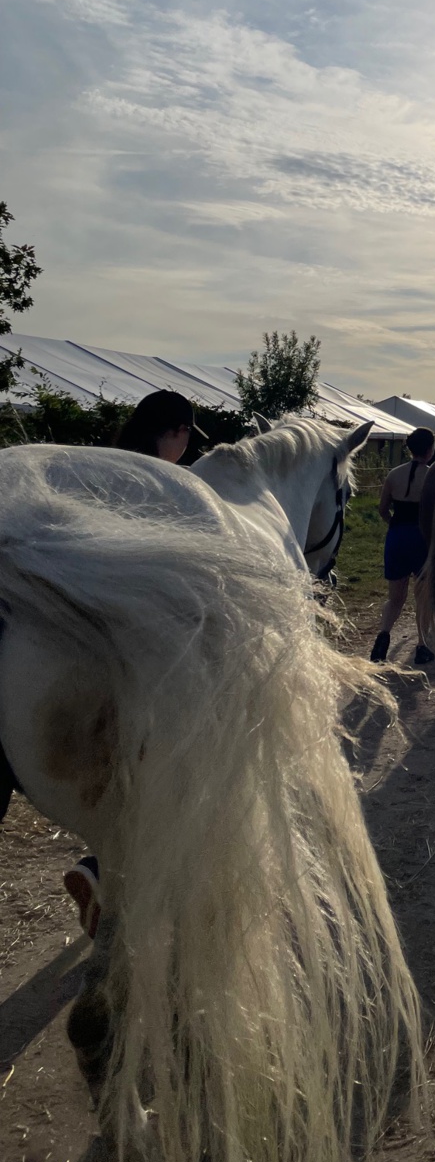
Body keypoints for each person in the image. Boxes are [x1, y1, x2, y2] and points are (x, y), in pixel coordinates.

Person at [63, 389, 207, 939]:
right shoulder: (170, 486)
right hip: (141, 640)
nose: (187, 447)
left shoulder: (99, 467)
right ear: (175, 432)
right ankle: (108, 875)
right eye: (187, 436)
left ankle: (96, 864)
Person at [370, 427, 435, 666]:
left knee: (395, 598)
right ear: (430, 449)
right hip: (422, 539)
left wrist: (394, 525)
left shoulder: (393, 475)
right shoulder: (432, 476)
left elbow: (382, 509)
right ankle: (422, 645)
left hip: (396, 538)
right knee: (423, 597)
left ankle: (382, 636)